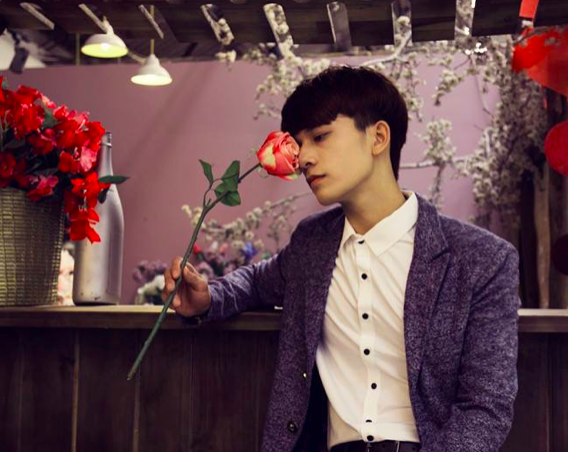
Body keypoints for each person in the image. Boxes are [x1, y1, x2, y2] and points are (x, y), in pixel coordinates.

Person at [162, 65, 522, 452]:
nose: (303, 158)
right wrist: (207, 299)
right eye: (299, 143)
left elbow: (485, 407)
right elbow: (254, 281)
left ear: (378, 137)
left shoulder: (483, 259)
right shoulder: (311, 244)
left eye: (320, 137)